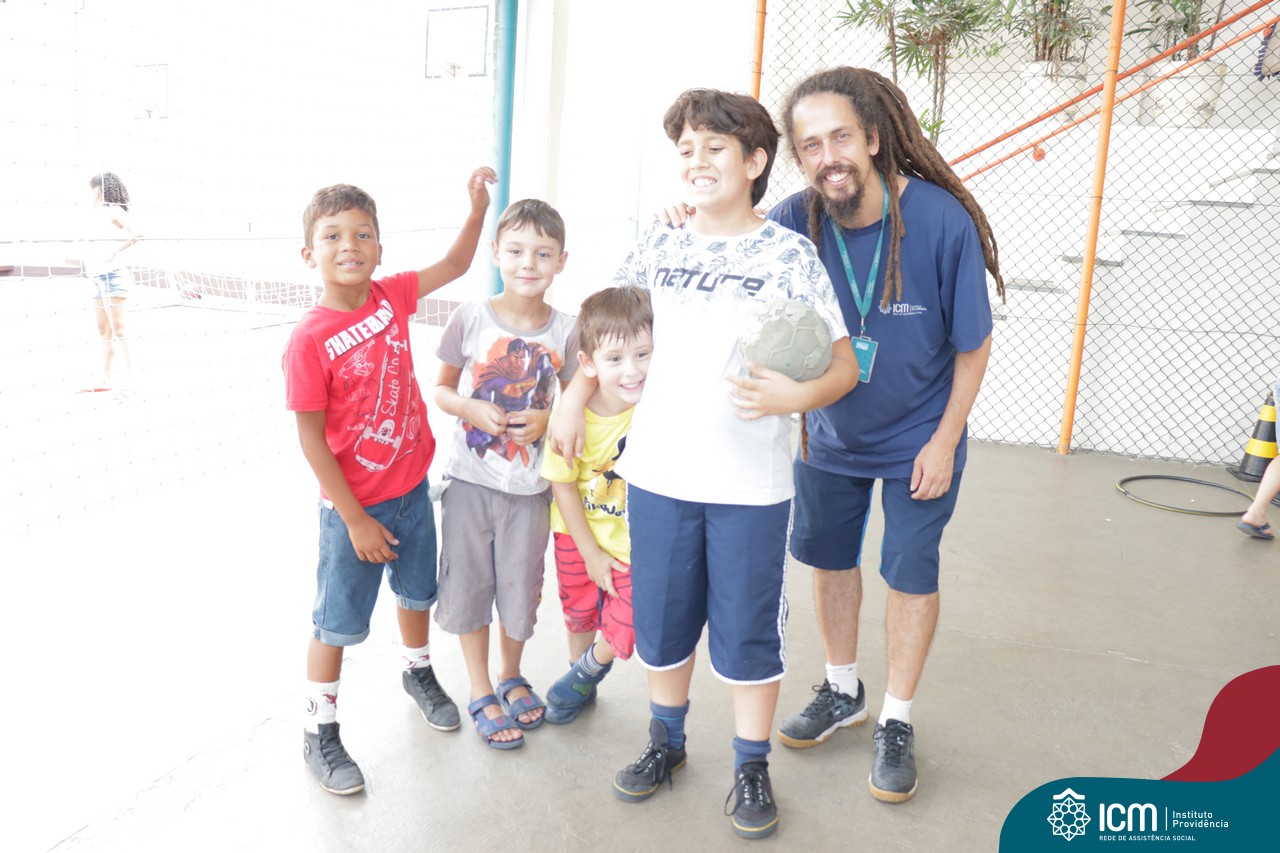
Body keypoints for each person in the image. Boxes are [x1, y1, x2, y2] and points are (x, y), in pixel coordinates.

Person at [549, 88, 859, 840]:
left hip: (750, 485)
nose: (696, 161)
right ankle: (667, 741)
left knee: (750, 633)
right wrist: (573, 398)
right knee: (661, 623)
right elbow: (603, 336)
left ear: (754, 162)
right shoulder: (658, 244)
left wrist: (797, 396)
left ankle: (751, 764)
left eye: (714, 148)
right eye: (686, 149)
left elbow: (845, 366)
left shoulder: (788, 254)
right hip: (657, 476)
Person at [765, 67, 1003, 805]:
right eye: (810, 145)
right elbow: (737, 258)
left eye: (840, 137)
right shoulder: (793, 220)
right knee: (830, 559)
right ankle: (843, 690)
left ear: (872, 137)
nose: (827, 156)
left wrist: (945, 439)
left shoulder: (938, 220)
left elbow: (973, 346)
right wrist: (692, 217)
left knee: (909, 570)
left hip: (918, 438)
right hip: (829, 435)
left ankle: (896, 717)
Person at [282, 167, 497, 795]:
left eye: (362, 234)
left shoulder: (391, 296)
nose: (348, 245)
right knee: (336, 624)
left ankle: (417, 670)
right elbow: (311, 440)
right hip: (353, 511)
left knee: (417, 594)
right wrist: (354, 519)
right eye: (332, 236)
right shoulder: (309, 340)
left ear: (379, 248)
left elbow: (455, 264)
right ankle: (318, 730)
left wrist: (477, 209)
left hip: (411, 492)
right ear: (309, 254)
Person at [432, 199, 579, 750]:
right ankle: (479, 687)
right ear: (495, 253)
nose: (527, 263)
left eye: (542, 253)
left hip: (530, 489)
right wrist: (469, 407)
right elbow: (442, 389)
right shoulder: (470, 317)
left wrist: (548, 418)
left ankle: (510, 675)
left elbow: (579, 402)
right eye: (516, 251)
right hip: (469, 484)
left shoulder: (568, 331)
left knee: (520, 587)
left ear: (561, 261)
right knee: (469, 586)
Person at [539, 286, 653, 725]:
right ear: (588, 364)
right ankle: (579, 681)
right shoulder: (573, 418)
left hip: (631, 545)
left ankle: (584, 673)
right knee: (580, 613)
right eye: (615, 359)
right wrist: (589, 552)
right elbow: (562, 486)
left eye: (643, 355)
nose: (632, 370)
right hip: (577, 534)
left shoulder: (654, 409)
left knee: (633, 616)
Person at [83, 172, 141, 392]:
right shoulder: (94, 215)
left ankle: (132, 380)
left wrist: (114, 252)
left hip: (113, 276)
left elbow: (139, 233)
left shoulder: (114, 210)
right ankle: (105, 379)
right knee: (103, 330)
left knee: (120, 329)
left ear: (97, 191)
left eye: (90, 190)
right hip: (95, 277)